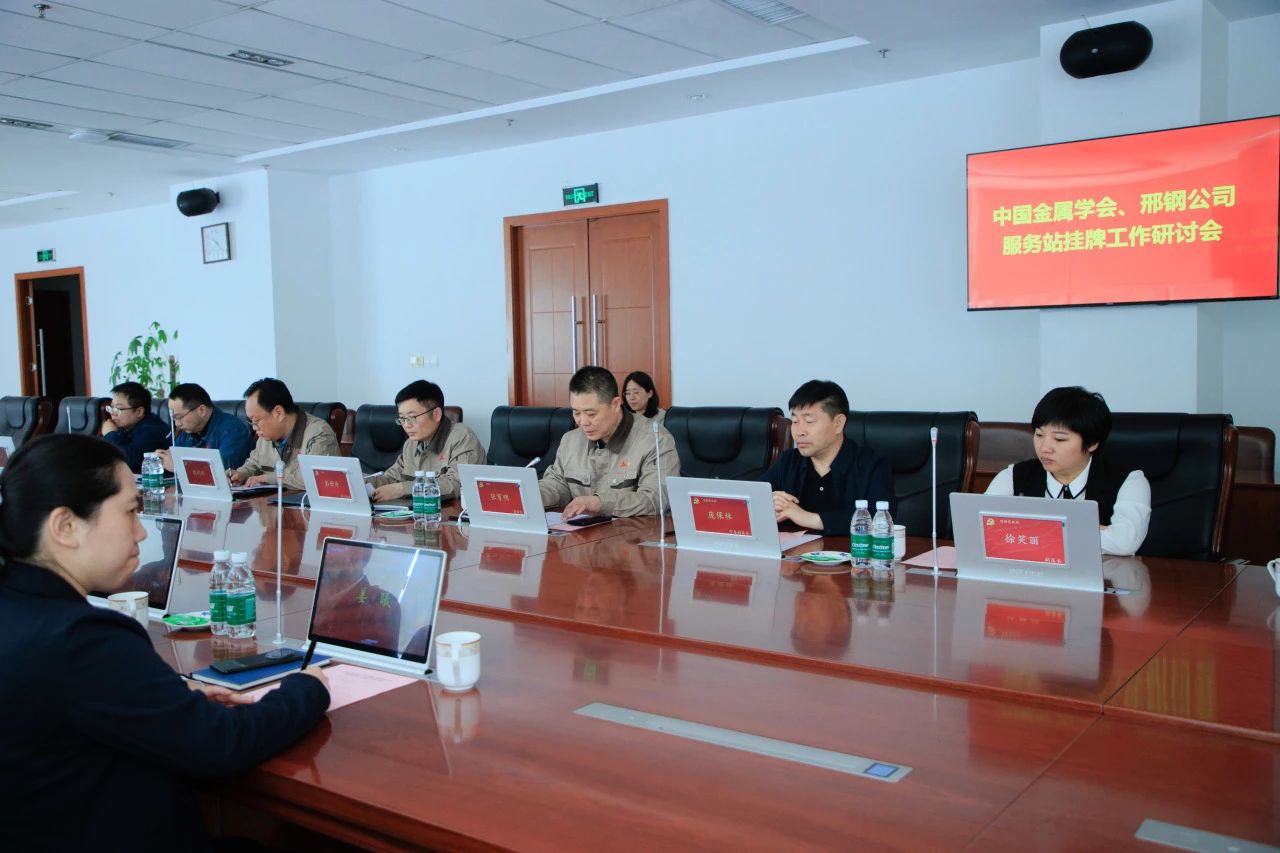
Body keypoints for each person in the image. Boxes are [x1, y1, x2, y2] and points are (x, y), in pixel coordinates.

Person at [0, 434, 330, 848]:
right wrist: (307, 688)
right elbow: (221, 744)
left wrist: (165, 696)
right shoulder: (83, 640)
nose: (141, 532)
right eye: (129, 512)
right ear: (66, 527)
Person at [985, 386, 1151, 556]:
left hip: (1104, 572)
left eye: (1059, 439)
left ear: (1092, 443)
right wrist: (1089, 531)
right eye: (1039, 435)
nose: (1045, 448)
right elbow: (984, 530)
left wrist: (1027, 530)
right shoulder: (1012, 476)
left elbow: (1124, 542)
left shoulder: (1129, 480)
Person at [539, 365, 680, 518]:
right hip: (580, 531)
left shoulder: (655, 440)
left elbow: (656, 499)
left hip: (632, 531)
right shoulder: (570, 440)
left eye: (591, 414)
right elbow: (558, 484)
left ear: (615, 404)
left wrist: (600, 503)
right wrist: (531, 495)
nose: (583, 422)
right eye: (576, 413)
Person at [763, 380, 894, 536]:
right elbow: (750, 501)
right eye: (795, 421)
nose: (799, 431)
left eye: (809, 421)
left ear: (838, 423)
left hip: (851, 551)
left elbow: (880, 521)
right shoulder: (788, 461)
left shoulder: (872, 465)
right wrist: (767, 504)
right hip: (795, 551)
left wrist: (806, 517)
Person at [368, 380, 486, 503]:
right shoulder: (411, 443)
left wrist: (401, 489)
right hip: (421, 510)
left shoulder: (462, 437)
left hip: (453, 511)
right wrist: (363, 483)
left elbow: (456, 484)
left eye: (412, 417)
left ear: (436, 414)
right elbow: (391, 478)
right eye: (402, 418)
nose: (406, 425)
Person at [229, 377, 341, 491]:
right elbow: (254, 462)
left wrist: (268, 478)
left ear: (278, 413)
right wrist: (241, 473)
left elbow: (315, 477)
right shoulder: (267, 436)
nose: (254, 427)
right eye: (251, 422)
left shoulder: (319, 433)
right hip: (276, 500)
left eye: (256, 421)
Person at [156, 382, 254, 473]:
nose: (177, 424)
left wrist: (178, 467)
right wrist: (162, 458)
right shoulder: (187, 431)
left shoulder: (232, 430)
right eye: (174, 418)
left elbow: (223, 470)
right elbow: (174, 456)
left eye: (179, 417)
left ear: (201, 410)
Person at [100, 380, 170, 471]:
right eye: (111, 407)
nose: (112, 413)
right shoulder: (125, 426)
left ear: (139, 412)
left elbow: (128, 461)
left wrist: (110, 434)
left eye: (118, 408)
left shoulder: (153, 430)